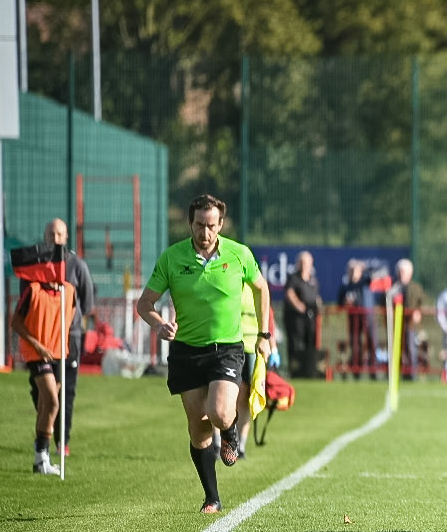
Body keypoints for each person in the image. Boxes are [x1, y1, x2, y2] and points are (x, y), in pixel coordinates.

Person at [135, 194, 272, 513]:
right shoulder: (172, 258)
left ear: (221, 224)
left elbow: (261, 288)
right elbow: (144, 304)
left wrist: (264, 335)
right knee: (198, 428)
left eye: (211, 226)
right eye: (199, 225)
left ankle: (230, 432)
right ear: (190, 223)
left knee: (220, 412)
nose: (205, 232)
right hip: (186, 352)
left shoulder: (239, 254)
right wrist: (159, 324)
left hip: (226, 349)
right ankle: (212, 498)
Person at [29, 220, 96, 458]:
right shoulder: (37, 265)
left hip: (70, 338)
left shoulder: (77, 265)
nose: (55, 239)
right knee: (40, 391)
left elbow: (87, 303)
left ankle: (62, 441)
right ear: (44, 236)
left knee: (65, 391)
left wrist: (70, 320)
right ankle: (44, 434)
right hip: (42, 338)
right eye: (51, 234)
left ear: (66, 237)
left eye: (59, 234)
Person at [11, 248, 75, 475]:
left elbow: (70, 317)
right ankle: (42, 456)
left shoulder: (68, 291)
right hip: (37, 354)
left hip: (59, 354)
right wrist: (37, 344)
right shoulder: (33, 290)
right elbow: (16, 322)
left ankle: (40, 459)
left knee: (45, 404)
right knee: (52, 402)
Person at [230, 282, 274, 462]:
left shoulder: (257, 285)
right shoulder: (229, 280)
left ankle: (240, 445)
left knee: (247, 397)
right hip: (230, 346)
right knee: (225, 395)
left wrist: (272, 345)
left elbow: (268, 316)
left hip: (252, 349)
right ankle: (219, 442)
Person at [282, 250, 321, 378]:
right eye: (302, 262)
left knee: (310, 342)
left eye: (307, 263)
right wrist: (298, 305)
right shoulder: (293, 278)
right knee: (295, 343)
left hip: (311, 317)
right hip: (296, 317)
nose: (305, 265)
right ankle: (295, 370)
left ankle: (309, 369)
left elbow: (316, 296)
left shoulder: (313, 280)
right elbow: (289, 293)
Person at [391, 258, 428, 380]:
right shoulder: (393, 287)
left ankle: (411, 374)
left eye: (404, 272)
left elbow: (423, 302)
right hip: (396, 324)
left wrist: (418, 312)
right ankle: (395, 373)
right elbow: (384, 301)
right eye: (400, 271)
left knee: (411, 347)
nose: (401, 274)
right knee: (396, 348)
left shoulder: (416, 288)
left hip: (411, 324)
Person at [337, 260, 371, 378]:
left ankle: (373, 372)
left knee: (370, 344)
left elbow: (376, 275)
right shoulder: (345, 286)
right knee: (355, 344)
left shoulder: (365, 283)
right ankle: (357, 370)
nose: (352, 272)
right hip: (352, 320)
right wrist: (346, 303)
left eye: (355, 270)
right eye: (350, 270)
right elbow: (340, 303)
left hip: (367, 319)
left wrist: (364, 267)